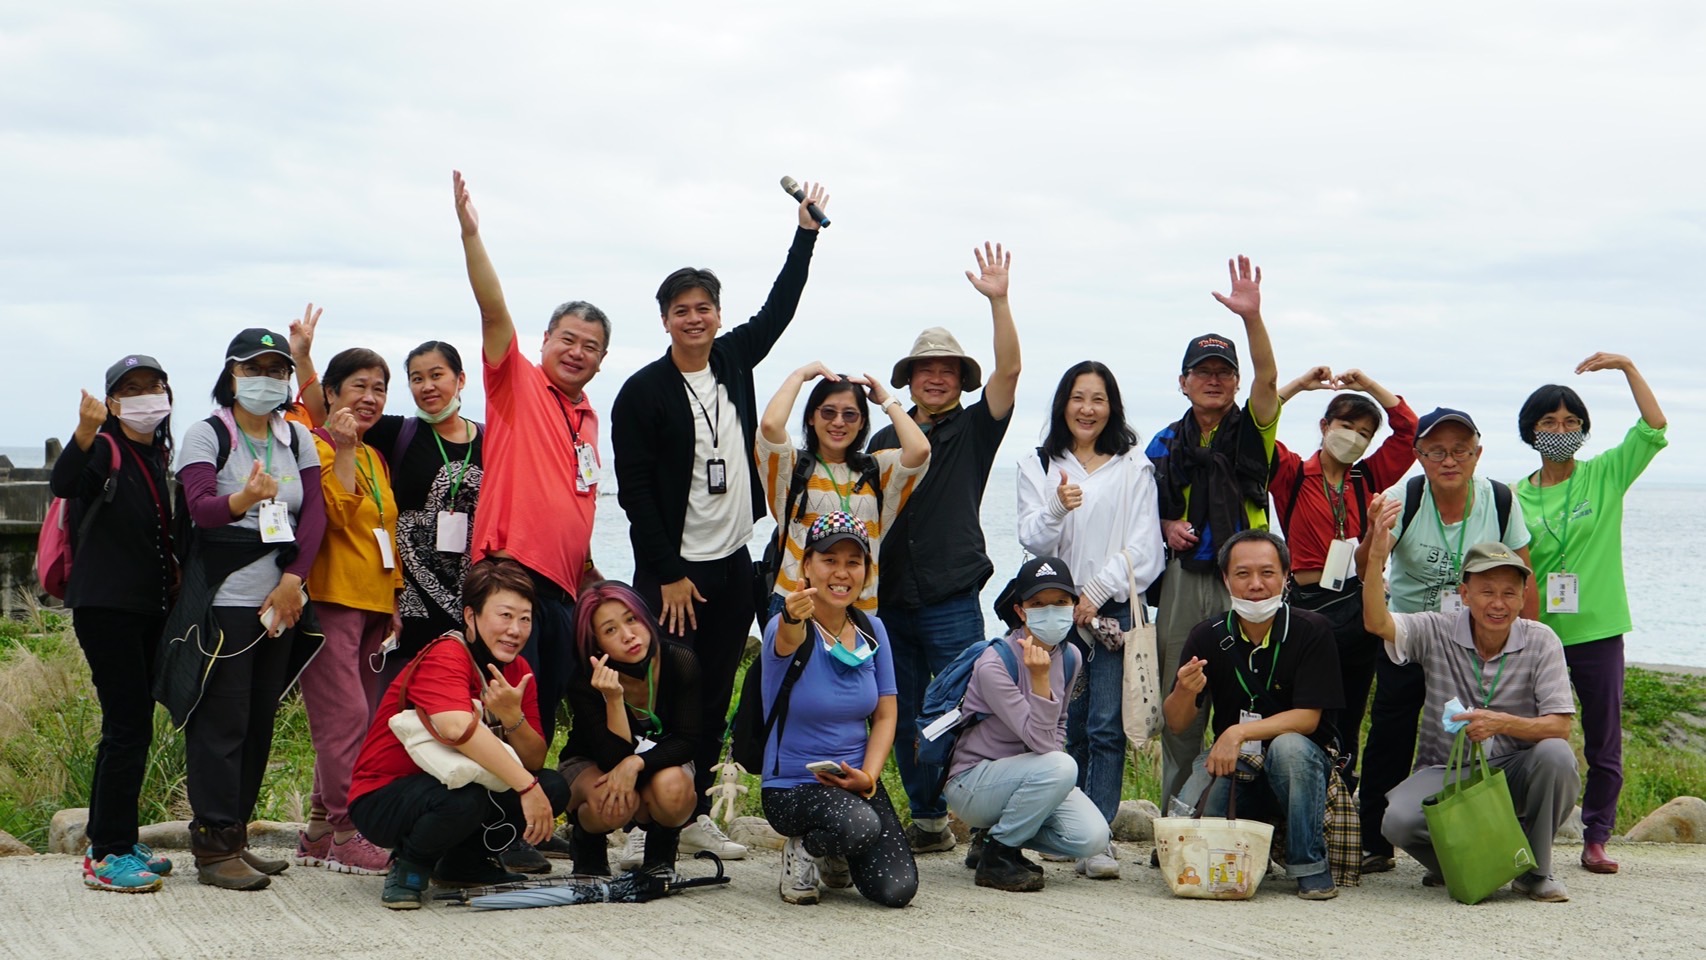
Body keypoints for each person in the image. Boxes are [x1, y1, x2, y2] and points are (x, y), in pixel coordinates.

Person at [610, 180, 830, 861]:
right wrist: (669, 575)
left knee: (712, 693)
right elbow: (635, 494)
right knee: (653, 689)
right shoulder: (642, 392)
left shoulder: (734, 358)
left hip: (733, 561)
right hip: (671, 571)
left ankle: (693, 809)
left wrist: (805, 236)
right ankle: (630, 810)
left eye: (704, 308)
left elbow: (780, 309)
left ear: (716, 313)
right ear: (666, 320)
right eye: (682, 311)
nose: (695, 319)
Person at [867, 242, 1021, 853]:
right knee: (900, 715)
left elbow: (1008, 373)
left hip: (953, 596)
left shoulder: (976, 428)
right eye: (926, 369)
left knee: (968, 707)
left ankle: (983, 820)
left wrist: (999, 301)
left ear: (960, 380)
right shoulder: (884, 436)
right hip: (889, 601)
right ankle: (928, 820)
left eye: (948, 369)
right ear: (909, 380)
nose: (936, 376)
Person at [162, 327, 326, 891]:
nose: (267, 380)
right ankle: (212, 847)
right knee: (220, 724)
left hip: (280, 601)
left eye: (278, 371)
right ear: (231, 374)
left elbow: (315, 516)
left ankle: (235, 840)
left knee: (258, 724)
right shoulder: (206, 434)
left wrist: (293, 582)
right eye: (254, 369)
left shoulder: (296, 438)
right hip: (226, 603)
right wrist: (246, 499)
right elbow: (205, 511)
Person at [454, 170, 608, 750]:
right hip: (509, 574)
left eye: (590, 346)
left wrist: (589, 568)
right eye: (567, 339)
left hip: (563, 590)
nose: (576, 352)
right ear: (544, 341)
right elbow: (493, 312)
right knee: (499, 703)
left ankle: (529, 816)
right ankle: (496, 827)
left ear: (602, 359)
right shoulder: (516, 383)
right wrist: (472, 235)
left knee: (540, 703)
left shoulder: (589, 417)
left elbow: (574, 495)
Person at [1358, 407, 1535, 874]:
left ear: (1478, 453)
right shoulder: (1404, 497)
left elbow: (1523, 571)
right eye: (1436, 450)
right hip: (1413, 632)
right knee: (1391, 729)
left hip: (1476, 639)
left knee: (1473, 734)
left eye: (1460, 450)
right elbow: (1367, 567)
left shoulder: (1499, 499)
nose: (1449, 460)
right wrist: (1373, 536)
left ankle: (1485, 831)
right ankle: (1376, 839)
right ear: (1419, 456)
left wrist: (1528, 640)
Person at [1363, 529, 1579, 902]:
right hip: (1447, 769)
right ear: (1464, 595)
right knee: (1396, 820)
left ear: (1523, 596)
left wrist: (1501, 722)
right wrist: (1375, 560)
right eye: (1487, 591)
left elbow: (1560, 726)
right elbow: (1377, 622)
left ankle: (1535, 872)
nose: (1498, 603)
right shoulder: (1436, 629)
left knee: (1556, 756)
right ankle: (1461, 864)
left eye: (1510, 593)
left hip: (1514, 770)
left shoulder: (1542, 640)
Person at [1514, 353, 1667, 875]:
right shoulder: (1515, 496)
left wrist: (1627, 368)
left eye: (1571, 422)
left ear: (1583, 430)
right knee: (1530, 736)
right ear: (1531, 430)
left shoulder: (1604, 475)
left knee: (1603, 740)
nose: (1561, 430)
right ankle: (1524, 828)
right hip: (1536, 636)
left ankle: (1596, 836)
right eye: (1550, 422)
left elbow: (1654, 426)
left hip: (1598, 629)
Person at [349, 559, 571, 910]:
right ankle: (410, 865)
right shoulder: (447, 654)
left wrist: (514, 718)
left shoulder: (520, 669)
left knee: (553, 786)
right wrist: (526, 788)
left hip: (457, 782)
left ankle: (463, 864)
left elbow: (532, 760)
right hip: (385, 795)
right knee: (463, 798)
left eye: (525, 618)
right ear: (471, 616)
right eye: (505, 616)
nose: (516, 629)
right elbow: (456, 728)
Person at [1015, 360, 1163, 879]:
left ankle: (1097, 836)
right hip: (1051, 607)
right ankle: (1064, 831)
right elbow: (1033, 539)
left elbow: (1147, 548)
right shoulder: (1038, 464)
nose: (1087, 408)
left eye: (1098, 399)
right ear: (1063, 403)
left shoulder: (1133, 466)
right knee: (1060, 724)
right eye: (1078, 397)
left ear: (1112, 407)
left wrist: (1098, 592)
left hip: (1111, 609)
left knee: (1105, 725)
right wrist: (1057, 505)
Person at [1145, 256, 1281, 815]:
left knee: (1257, 693)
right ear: (1183, 382)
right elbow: (1140, 510)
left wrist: (1252, 318)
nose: (1214, 379)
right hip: (1183, 581)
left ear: (1236, 381)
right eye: (1202, 371)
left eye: (1224, 371)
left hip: (1244, 580)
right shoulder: (1162, 443)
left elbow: (1270, 380)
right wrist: (1161, 525)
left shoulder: (1254, 430)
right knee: (1183, 695)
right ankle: (1176, 816)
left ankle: (1245, 811)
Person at [288, 317, 486, 698]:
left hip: (467, 590)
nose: (427, 386)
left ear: (460, 380)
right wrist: (303, 358)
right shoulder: (397, 433)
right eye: (416, 378)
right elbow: (327, 414)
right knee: (397, 697)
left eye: (436, 375)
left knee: (463, 693)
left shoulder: (491, 438)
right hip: (407, 594)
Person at [51, 355, 178, 892]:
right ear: (114, 401)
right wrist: (84, 430)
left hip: (146, 609)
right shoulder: (104, 447)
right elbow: (64, 483)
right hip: (107, 609)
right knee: (126, 728)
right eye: (132, 389)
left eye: (155, 386)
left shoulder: (154, 455)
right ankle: (106, 853)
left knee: (131, 727)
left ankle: (119, 839)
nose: (147, 396)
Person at [1167, 530, 1345, 900]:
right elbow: (1177, 722)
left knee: (1289, 747)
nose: (1256, 585)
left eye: (1267, 573)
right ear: (1225, 579)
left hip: (1301, 766)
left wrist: (1235, 733)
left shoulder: (1312, 630)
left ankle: (1309, 865)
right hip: (1237, 763)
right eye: (1243, 574)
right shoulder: (1208, 636)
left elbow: (1308, 719)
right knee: (1194, 847)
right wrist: (1185, 690)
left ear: (1286, 575)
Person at [1270, 367, 1417, 791]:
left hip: (1355, 600)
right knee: (1306, 707)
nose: (1354, 437)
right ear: (1324, 426)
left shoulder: (1365, 477)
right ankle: (1297, 793)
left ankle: (1340, 805)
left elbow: (1408, 431)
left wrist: (1369, 384)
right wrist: (1298, 385)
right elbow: (1256, 425)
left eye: (1365, 433)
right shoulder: (1292, 473)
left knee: (1351, 712)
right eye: (1346, 425)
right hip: (1306, 603)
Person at [761, 512, 917, 908]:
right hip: (792, 787)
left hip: (853, 783)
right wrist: (792, 615)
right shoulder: (787, 625)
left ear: (866, 570)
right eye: (829, 560)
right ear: (807, 566)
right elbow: (788, 634)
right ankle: (806, 848)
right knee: (860, 825)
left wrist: (868, 777)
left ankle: (838, 847)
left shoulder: (872, 629)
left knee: (897, 890)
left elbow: (885, 714)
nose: (841, 572)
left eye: (853, 562)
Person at [945, 556, 1106, 892]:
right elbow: (1044, 745)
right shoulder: (995, 663)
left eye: (1060, 602)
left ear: (1074, 605)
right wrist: (1040, 679)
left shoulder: (1071, 656)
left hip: (1029, 776)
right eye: (1038, 604)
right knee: (1060, 765)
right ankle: (997, 854)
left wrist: (1048, 776)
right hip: (974, 781)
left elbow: (1057, 728)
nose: (1051, 612)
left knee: (1091, 837)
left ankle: (997, 836)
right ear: (1020, 611)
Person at [756, 362, 929, 619]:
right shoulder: (793, 467)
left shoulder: (877, 470)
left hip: (858, 609)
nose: (838, 422)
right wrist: (799, 375)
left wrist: (886, 400)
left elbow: (920, 450)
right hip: (798, 604)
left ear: (861, 423)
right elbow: (770, 426)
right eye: (828, 412)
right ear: (811, 418)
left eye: (850, 414)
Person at [558, 581, 701, 878]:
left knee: (673, 789)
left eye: (632, 619)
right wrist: (613, 698)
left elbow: (689, 740)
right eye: (610, 630)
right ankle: (587, 845)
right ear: (596, 643)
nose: (628, 635)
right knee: (614, 802)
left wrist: (637, 763)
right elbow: (611, 758)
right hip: (593, 765)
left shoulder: (679, 659)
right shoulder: (584, 681)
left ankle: (660, 854)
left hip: (658, 761)